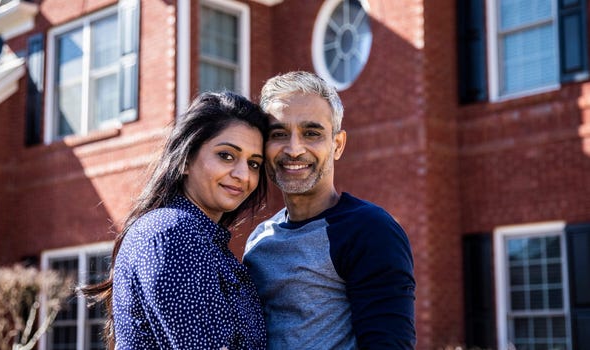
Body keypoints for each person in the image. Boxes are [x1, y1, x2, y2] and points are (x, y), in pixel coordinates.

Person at [243, 71, 416, 349]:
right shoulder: (258, 240)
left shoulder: (369, 230)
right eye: (279, 133)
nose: (294, 149)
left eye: (311, 133)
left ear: (337, 145)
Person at [83, 91, 269, 349]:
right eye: (226, 155)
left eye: (254, 164)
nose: (242, 174)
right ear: (185, 160)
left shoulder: (204, 239)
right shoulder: (172, 232)